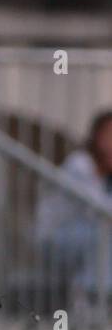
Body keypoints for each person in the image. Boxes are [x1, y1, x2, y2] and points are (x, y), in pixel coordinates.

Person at [35, 110, 112, 299]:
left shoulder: (106, 174)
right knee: (103, 233)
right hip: (55, 239)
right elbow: (98, 209)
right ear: (97, 136)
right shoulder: (79, 163)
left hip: (84, 238)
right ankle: (93, 295)